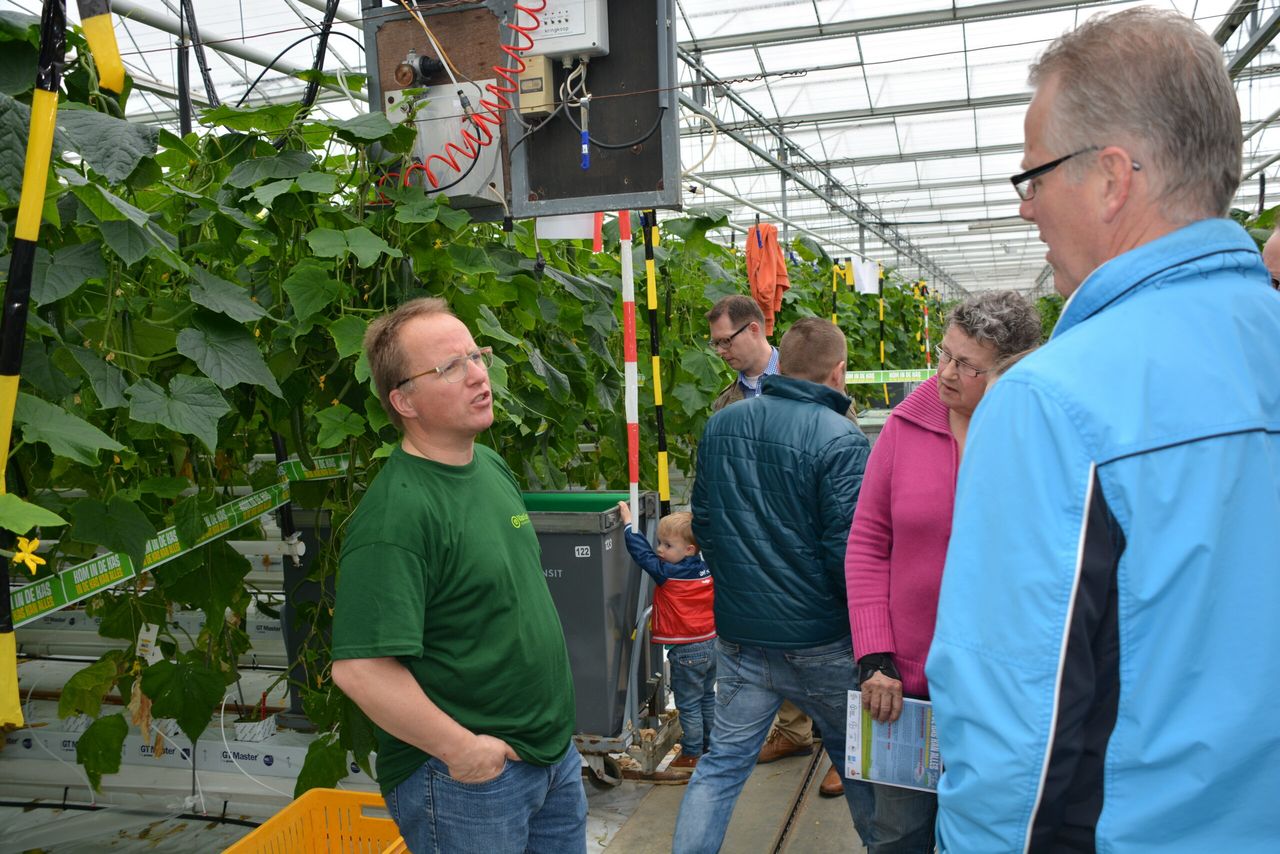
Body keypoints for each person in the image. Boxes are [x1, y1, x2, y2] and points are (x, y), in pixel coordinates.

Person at [926, 8, 1280, 852]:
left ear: (1113, 178)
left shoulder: (1051, 403)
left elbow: (1017, 745)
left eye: (1034, 177)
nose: (1026, 209)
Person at [330, 298, 586, 854]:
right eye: (449, 367)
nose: (477, 375)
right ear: (404, 400)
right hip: (468, 783)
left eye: (476, 355)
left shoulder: (487, 464)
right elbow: (360, 670)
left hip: (550, 757)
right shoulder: (397, 514)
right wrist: (463, 751)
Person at [844, 291, 1040, 852]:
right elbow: (866, 545)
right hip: (905, 689)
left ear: (1009, 371)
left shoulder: (1030, 434)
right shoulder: (905, 426)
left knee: (991, 831)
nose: (946, 373)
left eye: (967, 365)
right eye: (945, 354)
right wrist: (876, 658)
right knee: (899, 832)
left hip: (998, 688)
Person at [673, 318, 876, 852]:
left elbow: (708, 523)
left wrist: (741, 585)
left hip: (741, 636)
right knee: (856, 761)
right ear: (839, 371)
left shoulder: (723, 424)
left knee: (720, 770)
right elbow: (846, 554)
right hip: (821, 638)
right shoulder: (842, 439)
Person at [706, 295, 846, 797]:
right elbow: (711, 497)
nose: (722, 351)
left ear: (756, 329)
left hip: (804, 553)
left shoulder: (813, 376)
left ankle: (840, 755)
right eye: (716, 343)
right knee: (777, 657)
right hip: (757, 555)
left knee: (827, 668)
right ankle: (793, 734)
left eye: (727, 340)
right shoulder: (726, 404)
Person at [617, 502, 715, 770]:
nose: (659, 550)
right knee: (707, 697)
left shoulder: (670, 574)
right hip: (711, 644)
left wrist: (629, 525)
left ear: (689, 549)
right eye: (659, 543)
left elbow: (642, 555)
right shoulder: (706, 569)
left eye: (667, 546)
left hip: (687, 652)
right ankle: (712, 745)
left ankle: (693, 752)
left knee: (689, 704)